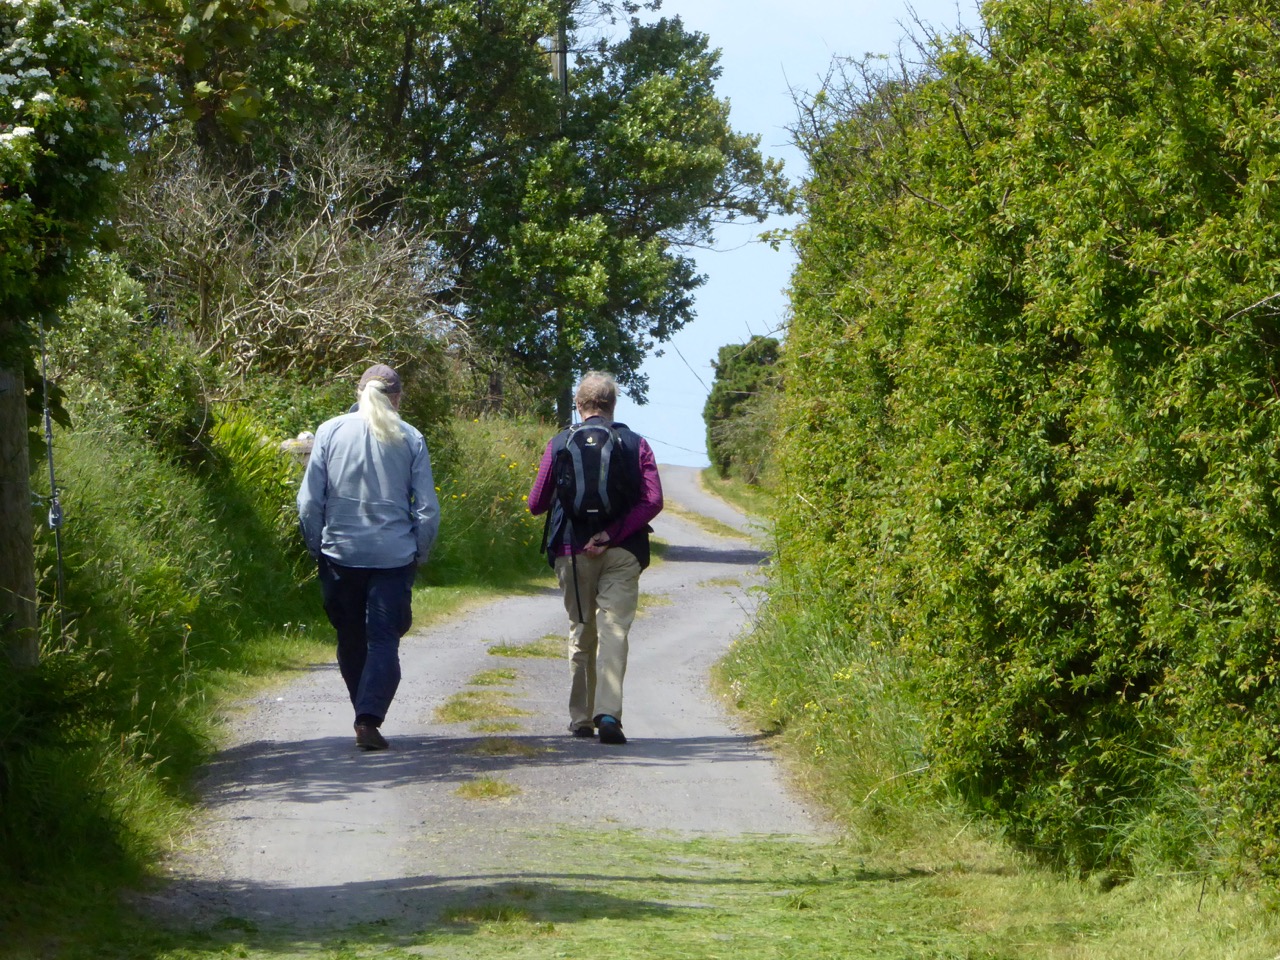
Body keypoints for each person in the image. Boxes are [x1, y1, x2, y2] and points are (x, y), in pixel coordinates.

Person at [297, 364, 440, 751]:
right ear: (397, 399)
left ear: (359, 393)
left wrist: (316, 545)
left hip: (339, 555)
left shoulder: (329, 431)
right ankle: (367, 717)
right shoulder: (410, 437)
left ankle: (364, 714)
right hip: (393, 558)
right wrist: (419, 553)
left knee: (350, 637)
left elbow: (310, 501)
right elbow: (427, 508)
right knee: (384, 640)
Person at [527, 371, 663, 744]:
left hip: (572, 552)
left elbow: (536, 504)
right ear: (613, 404)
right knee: (614, 630)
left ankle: (581, 717)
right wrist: (613, 533)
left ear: (578, 404)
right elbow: (652, 500)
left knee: (582, 630)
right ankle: (608, 715)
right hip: (622, 552)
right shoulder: (636, 444)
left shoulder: (559, 443)